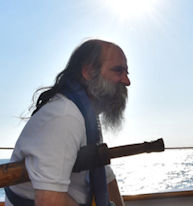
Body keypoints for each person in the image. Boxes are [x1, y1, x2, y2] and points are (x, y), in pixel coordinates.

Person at [5, 39, 130, 206]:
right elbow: (49, 201)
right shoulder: (64, 117)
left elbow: (106, 176)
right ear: (88, 71)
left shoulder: (87, 117)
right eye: (118, 71)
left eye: (126, 72)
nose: (127, 81)